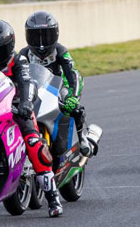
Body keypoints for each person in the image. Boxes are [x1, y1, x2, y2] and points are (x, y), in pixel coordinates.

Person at [0, 19, 63, 218]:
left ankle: (52, 196)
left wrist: (26, 103)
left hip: (15, 108)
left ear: (9, 47)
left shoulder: (19, 61)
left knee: (34, 142)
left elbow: (28, 82)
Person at [18, 10, 92, 157]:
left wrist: (73, 96)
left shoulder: (60, 51)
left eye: (46, 36)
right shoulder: (24, 53)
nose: (41, 44)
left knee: (74, 108)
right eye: (35, 37)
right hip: (33, 88)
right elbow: (17, 76)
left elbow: (71, 73)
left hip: (55, 87)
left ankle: (81, 137)